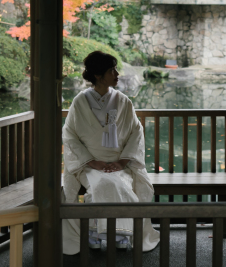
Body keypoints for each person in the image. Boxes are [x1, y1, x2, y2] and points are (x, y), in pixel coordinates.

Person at [62, 51, 160, 254]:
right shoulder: (80, 102)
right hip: (89, 165)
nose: (117, 74)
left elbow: (136, 131)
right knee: (104, 182)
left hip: (119, 163)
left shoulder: (123, 101)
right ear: (98, 75)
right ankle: (102, 233)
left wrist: (124, 161)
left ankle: (117, 234)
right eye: (111, 70)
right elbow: (70, 135)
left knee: (117, 181)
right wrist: (91, 161)